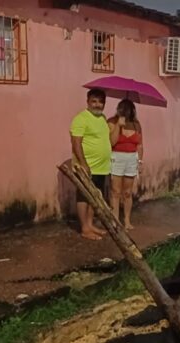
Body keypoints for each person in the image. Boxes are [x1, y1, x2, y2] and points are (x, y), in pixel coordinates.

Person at [70, 89, 112, 240]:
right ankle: (84, 228)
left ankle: (90, 224)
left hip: (101, 167)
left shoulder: (102, 118)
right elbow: (76, 143)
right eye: (94, 101)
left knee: (95, 196)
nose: (97, 104)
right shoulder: (80, 119)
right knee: (84, 196)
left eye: (101, 102)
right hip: (86, 167)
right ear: (88, 101)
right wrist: (83, 164)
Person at [108, 99, 144, 230]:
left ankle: (127, 220)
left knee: (128, 192)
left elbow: (140, 145)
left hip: (131, 158)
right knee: (115, 191)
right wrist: (118, 125)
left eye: (128, 108)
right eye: (122, 108)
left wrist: (140, 161)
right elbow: (112, 142)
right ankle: (115, 220)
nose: (125, 111)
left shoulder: (136, 124)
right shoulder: (112, 122)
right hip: (117, 157)